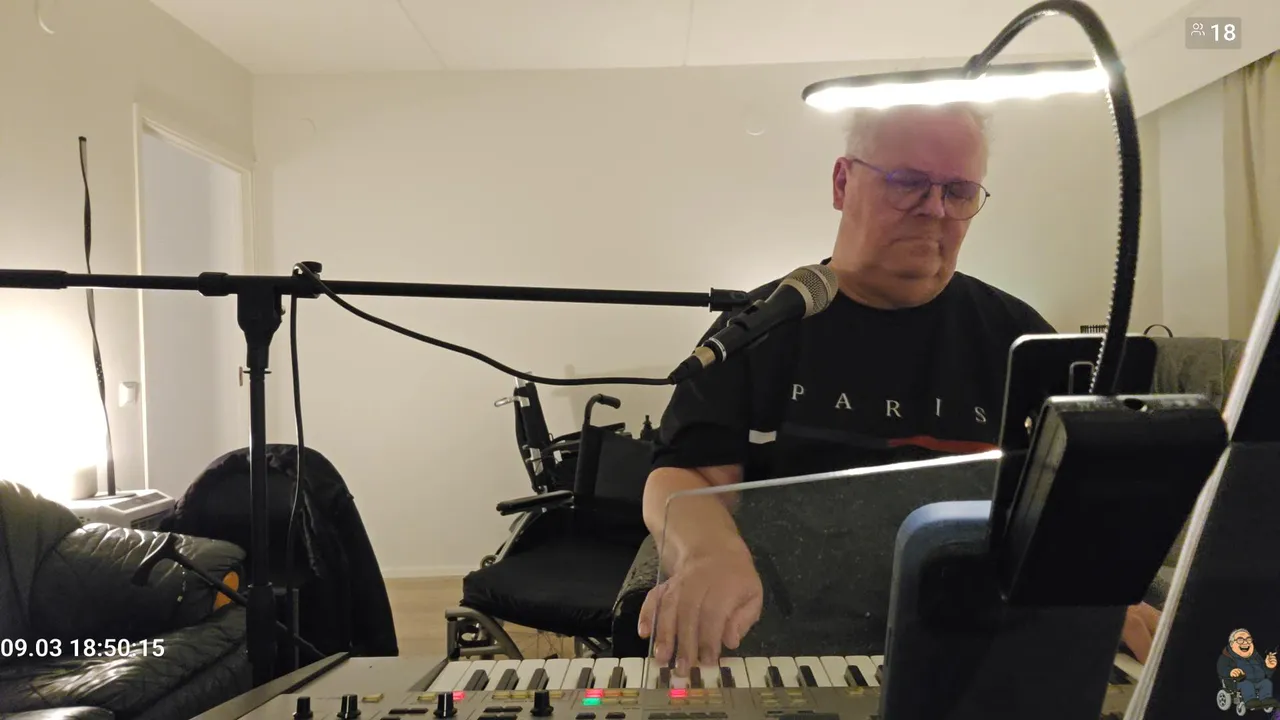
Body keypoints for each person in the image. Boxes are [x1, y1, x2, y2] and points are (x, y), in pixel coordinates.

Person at [637, 102, 1155, 674]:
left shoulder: (1019, 338)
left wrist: (1092, 583)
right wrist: (706, 553)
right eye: (907, 182)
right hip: (785, 653)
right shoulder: (756, 330)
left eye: (959, 190)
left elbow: (1072, 500)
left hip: (977, 657)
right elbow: (685, 477)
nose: (935, 209)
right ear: (842, 183)